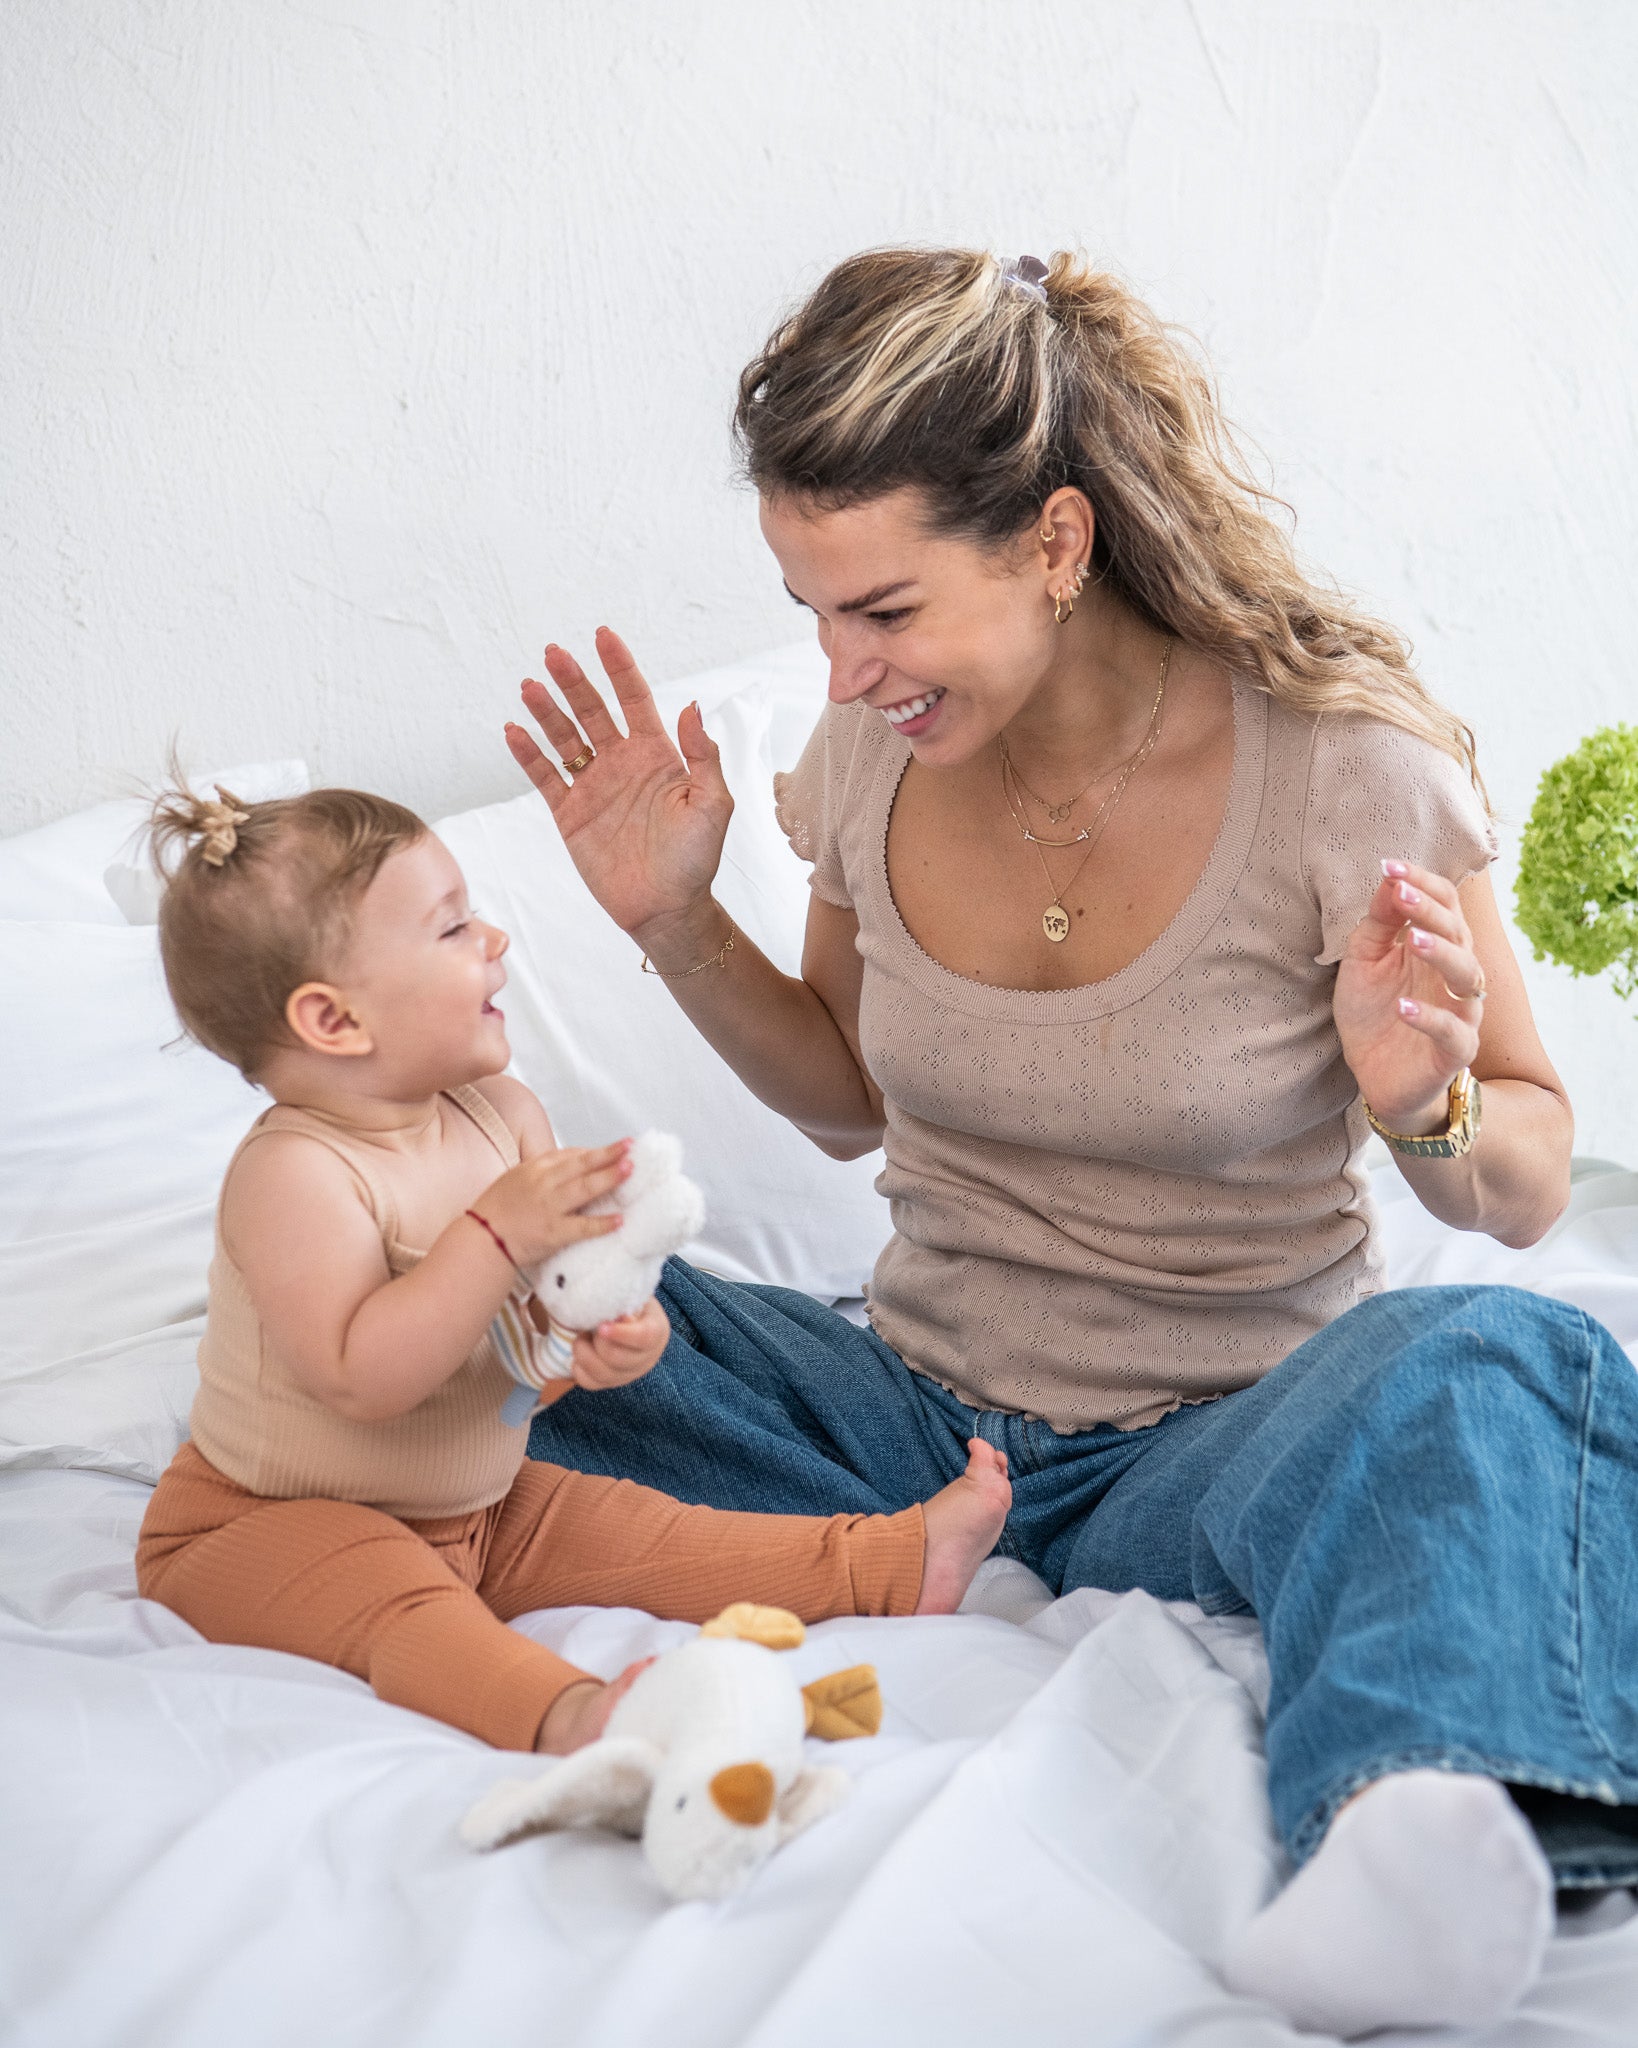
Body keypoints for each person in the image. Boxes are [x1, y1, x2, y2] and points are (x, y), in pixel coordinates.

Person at [504, 247, 1638, 2035]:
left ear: (1050, 541)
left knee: (1506, 1362)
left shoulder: (1340, 767)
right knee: (514, 1289)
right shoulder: (867, 763)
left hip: (1225, 1443)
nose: (841, 667)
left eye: (880, 609)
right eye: (810, 611)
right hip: (907, 1414)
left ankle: (1415, 1822)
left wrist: (1419, 1096)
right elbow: (845, 1092)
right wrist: (673, 916)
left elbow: (1521, 1178)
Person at [133, 779, 1012, 1758]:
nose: (495, 940)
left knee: (649, 1528)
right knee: (405, 1607)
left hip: (473, 1507)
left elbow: (522, 1350)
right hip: (263, 1527)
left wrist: (600, 1343)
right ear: (335, 1020)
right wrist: (494, 1236)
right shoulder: (294, 1172)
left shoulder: (499, 1115)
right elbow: (361, 1377)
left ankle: (891, 1563)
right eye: (453, 927)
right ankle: (570, 1712)